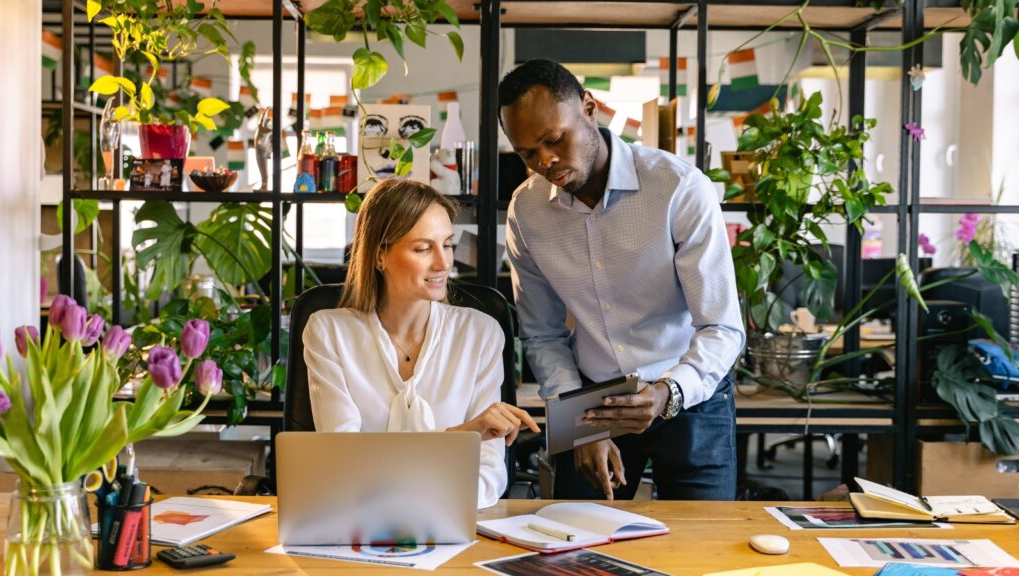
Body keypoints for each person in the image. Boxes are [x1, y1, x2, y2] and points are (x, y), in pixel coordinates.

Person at [499, 59, 745, 501]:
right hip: (591, 402)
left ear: (589, 108)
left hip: (688, 389)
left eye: (554, 140)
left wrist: (667, 392)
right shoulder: (527, 211)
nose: (545, 161)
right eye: (527, 153)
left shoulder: (678, 188)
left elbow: (721, 327)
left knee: (702, 548)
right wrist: (576, 423)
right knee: (576, 549)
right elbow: (541, 333)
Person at [303, 178, 539, 508]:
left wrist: (392, 481)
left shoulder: (480, 334)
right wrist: (460, 437)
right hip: (355, 526)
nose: (444, 264)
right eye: (423, 248)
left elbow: (488, 476)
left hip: (454, 526)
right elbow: (344, 465)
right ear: (379, 255)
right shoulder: (329, 333)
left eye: (448, 244)